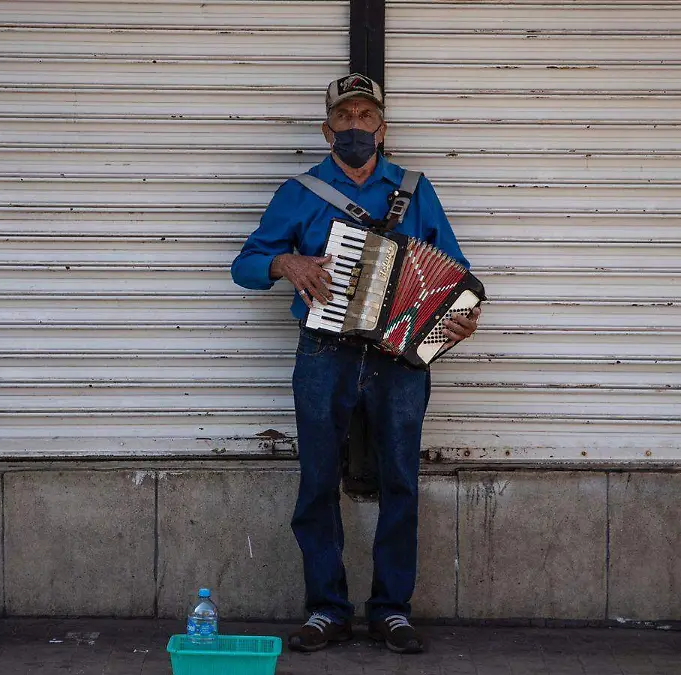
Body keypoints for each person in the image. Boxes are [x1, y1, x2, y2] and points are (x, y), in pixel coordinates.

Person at [230, 73, 480, 655]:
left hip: (399, 359)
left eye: (366, 117)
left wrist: (459, 317)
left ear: (382, 129)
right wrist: (286, 264)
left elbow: (458, 275)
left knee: (401, 480)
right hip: (325, 353)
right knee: (318, 480)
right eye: (345, 118)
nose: (355, 127)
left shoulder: (415, 190)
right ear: (327, 129)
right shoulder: (301, 192)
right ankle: (326, 609)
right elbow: (245, 265)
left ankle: (391, 610)